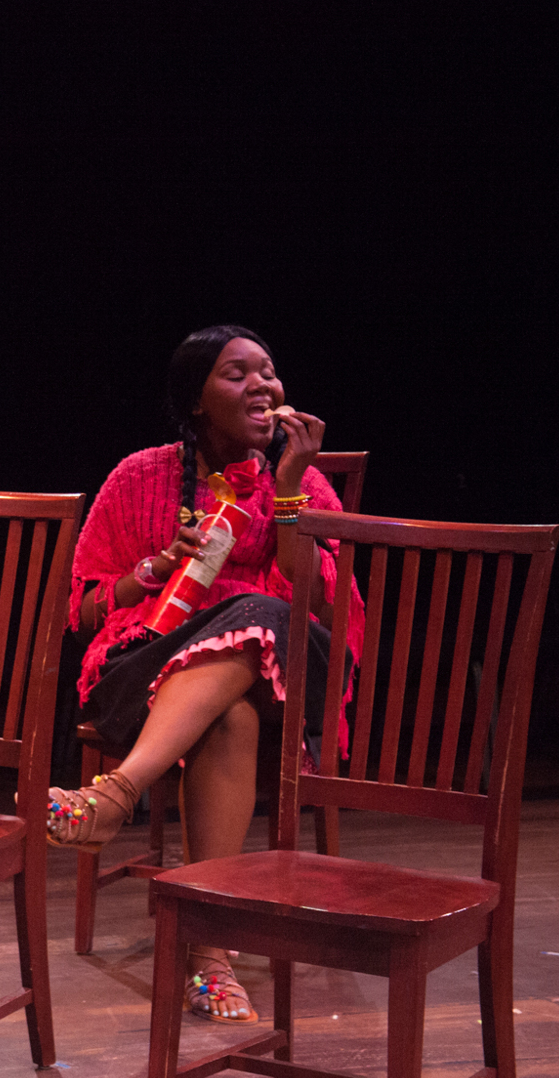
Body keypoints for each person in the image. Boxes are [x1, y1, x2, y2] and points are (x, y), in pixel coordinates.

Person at [46, 325, 363, 1024]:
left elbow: (323, 602)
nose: (261, 384)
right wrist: (156, 568)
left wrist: (284, 494)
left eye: (268, 371)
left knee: (259, 611)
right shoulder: (138, 477)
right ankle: (210, 958)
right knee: (231, 712)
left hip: (289, 677)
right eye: (236, 373)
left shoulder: (305, 483)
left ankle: (115, 796)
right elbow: (85, 610)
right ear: (195, 400)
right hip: (150, 672)